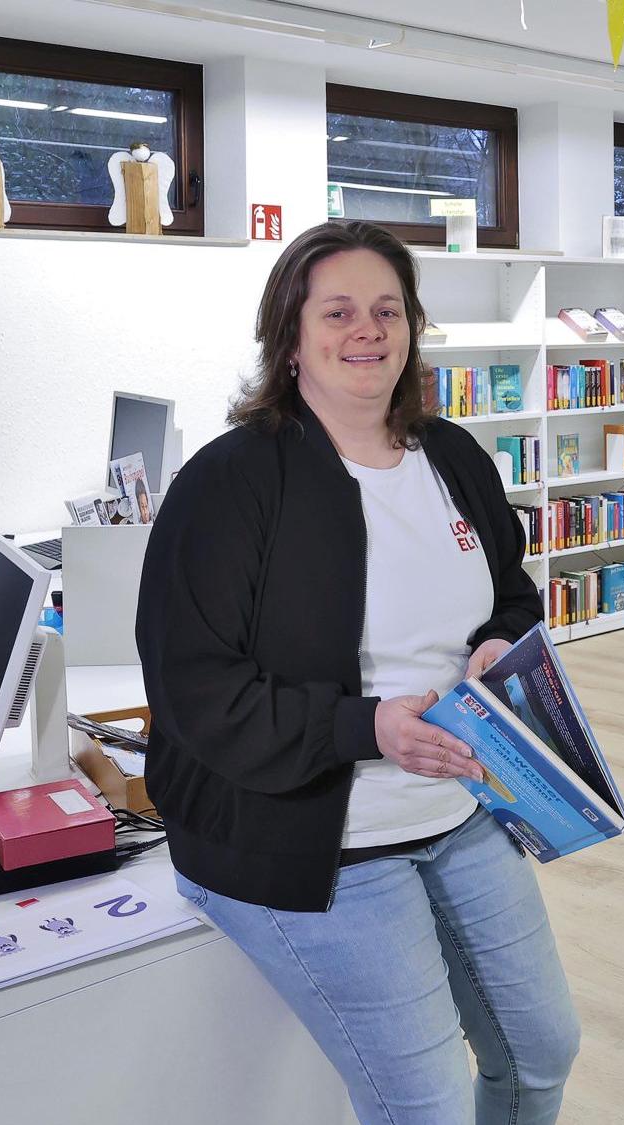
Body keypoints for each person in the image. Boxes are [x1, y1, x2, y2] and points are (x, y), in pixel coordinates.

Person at [134, 220, 579, 1125]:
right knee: (428, 1105)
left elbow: (513, 592)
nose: (366, 329)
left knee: (541, 1053)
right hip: (308, 838)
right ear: (289, 337)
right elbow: (197, 692)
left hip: (460, 808)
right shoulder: (231, 483)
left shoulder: (452, 456)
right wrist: (365, 726)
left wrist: (500, 642)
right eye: (337, 311)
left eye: (387, 309)